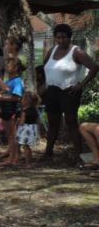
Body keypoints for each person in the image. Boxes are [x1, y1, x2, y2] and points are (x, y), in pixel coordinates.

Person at [42, 24, 99, 162]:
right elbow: (45, 67)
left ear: (69, 37)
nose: (60, 40)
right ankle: (48, 152)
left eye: (63, 37)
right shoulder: (51, 50)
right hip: (52, 91)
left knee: (71, 123)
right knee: (53, 123)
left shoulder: (76, 51)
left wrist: (81, 85)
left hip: (69, 92)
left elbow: (94, 67)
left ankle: (79, 155)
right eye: (58, 37)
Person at [0, 57, 25, 166]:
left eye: (9, 65)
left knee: (12, 136)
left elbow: (17, 98)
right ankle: (14, 156)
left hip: (12, 111)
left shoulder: (17, 81)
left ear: (16, 68)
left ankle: (12, 159)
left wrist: (0, 97)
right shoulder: (10, 81)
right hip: (6, 110)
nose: (7, 67)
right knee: (10, 135)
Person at [16, 91, 41, 168]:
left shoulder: (24, 111)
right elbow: (38, 121)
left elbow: (22, 122)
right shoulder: (35, 110)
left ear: (26, 101)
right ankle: (27, 161)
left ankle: (28, 163)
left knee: (25, 147)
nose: (21, 100)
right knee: (27, 147)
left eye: (23, 98)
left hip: (25, 130)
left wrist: (18, 122)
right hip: (33, 129)